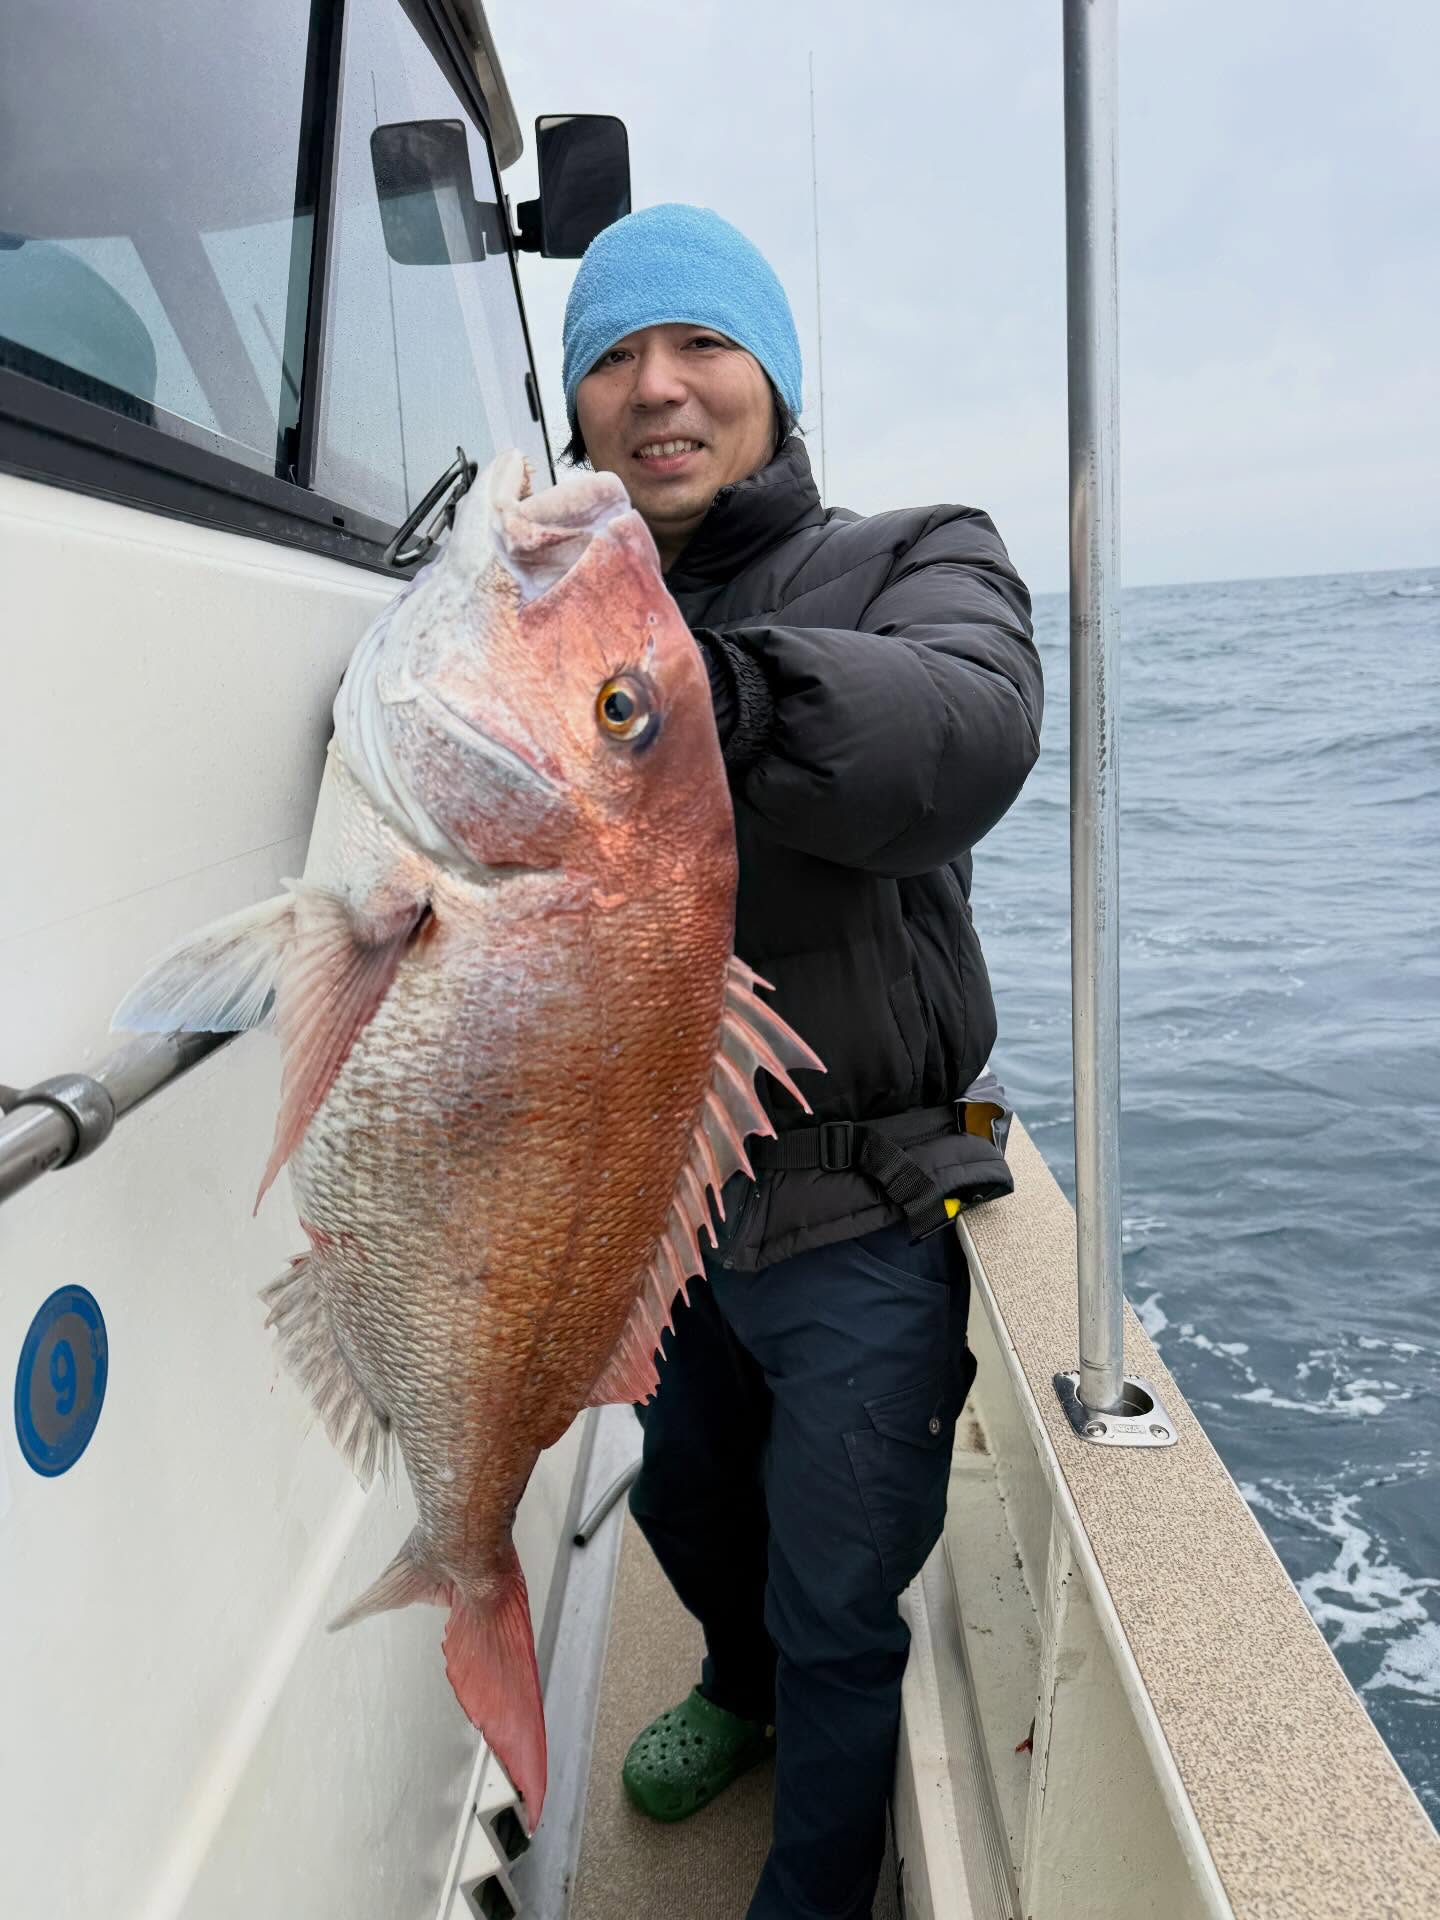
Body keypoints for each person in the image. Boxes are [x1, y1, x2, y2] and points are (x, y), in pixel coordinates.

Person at [562, 202, 1042, 1920]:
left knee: (843, 1595)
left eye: (701, 345)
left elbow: (967, 730)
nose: (659, 388)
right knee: (684, 1507)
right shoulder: (556, 610)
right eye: (612, 354)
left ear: (773, 376)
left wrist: (724, 694)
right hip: (657, 1200)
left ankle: (814, 1890)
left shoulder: (921, 552)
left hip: (859, 1209)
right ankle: (731, 1693)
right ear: (575, 406)